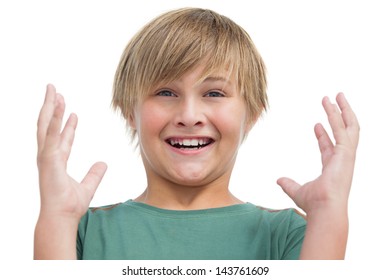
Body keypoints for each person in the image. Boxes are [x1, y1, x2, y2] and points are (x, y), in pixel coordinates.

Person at [34, 8, 359, 260]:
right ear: (127, 111)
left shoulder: (288, 234)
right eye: (165, 92)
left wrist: (330, 215)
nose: (189, 116)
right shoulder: (80, 231)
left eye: (214, 94)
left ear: (253, 115)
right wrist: (58, 217)